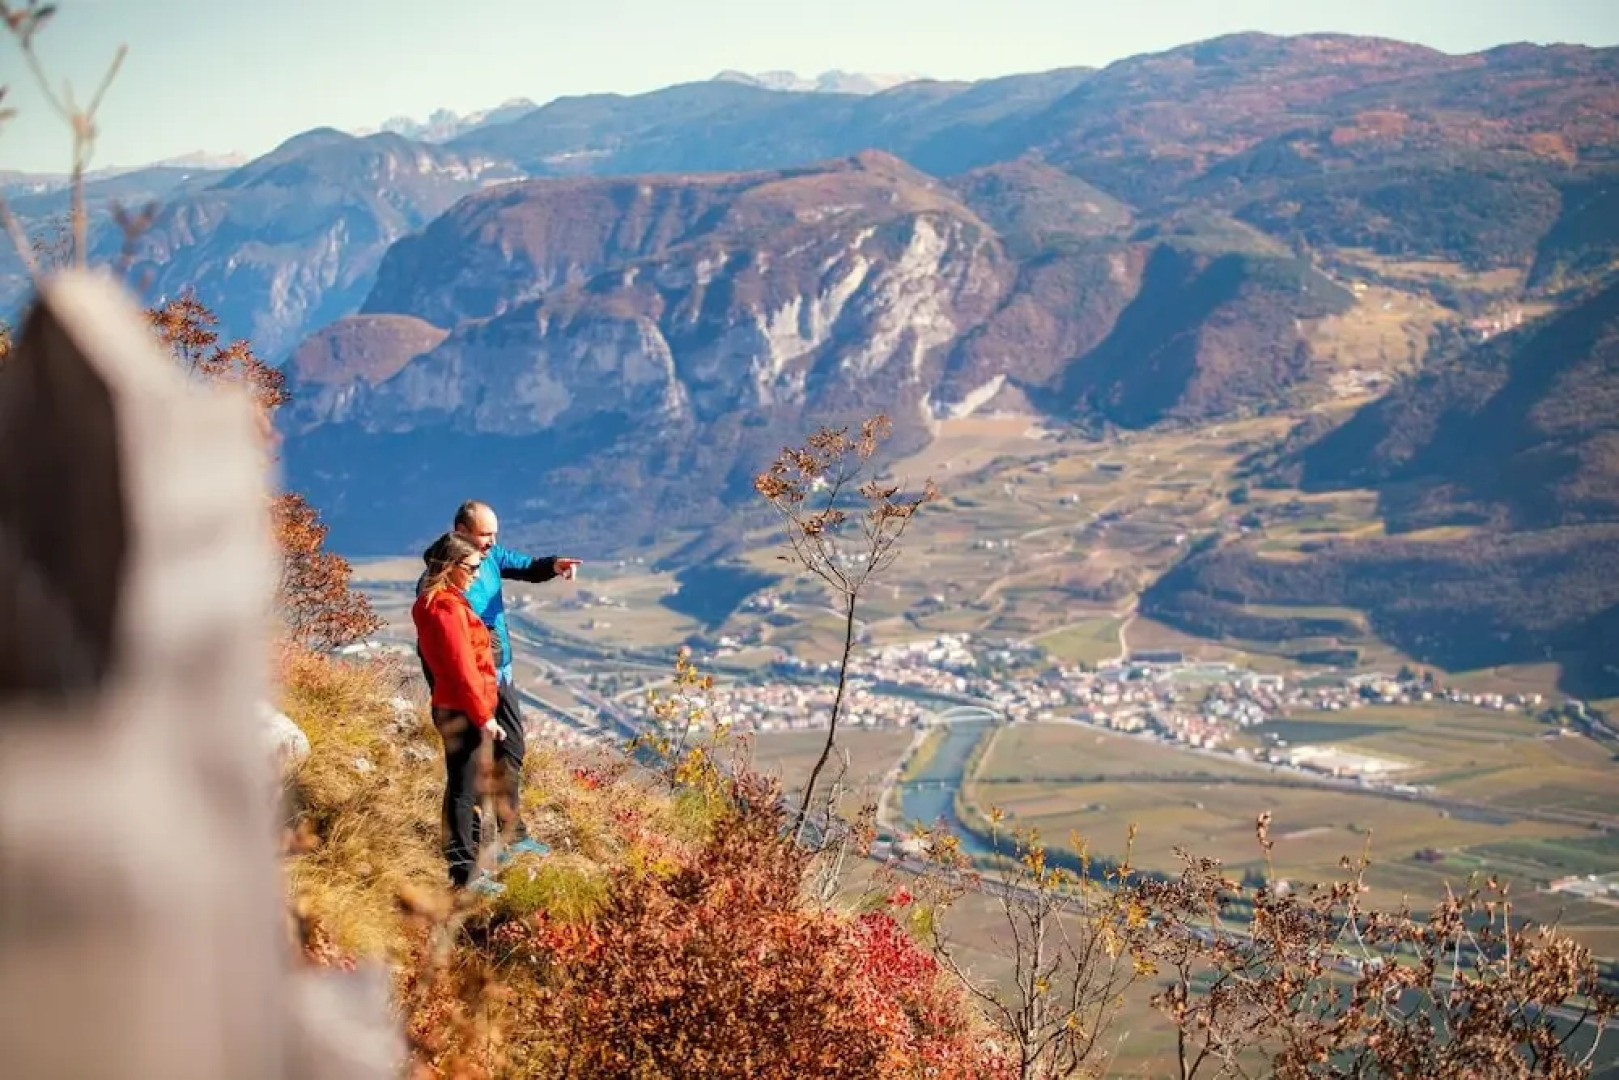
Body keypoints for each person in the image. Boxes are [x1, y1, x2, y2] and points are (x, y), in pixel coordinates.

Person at [411, 532, 542, 893]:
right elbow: (463, 669)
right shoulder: (447, 609)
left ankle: (466, 868)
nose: (475, 574)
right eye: (470, 568)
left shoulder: (435, 602)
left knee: (463, 785)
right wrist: (484, 716)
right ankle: (464, 875)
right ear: (450, 567)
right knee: (463, 790)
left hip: (454, 705)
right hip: (462, 709)